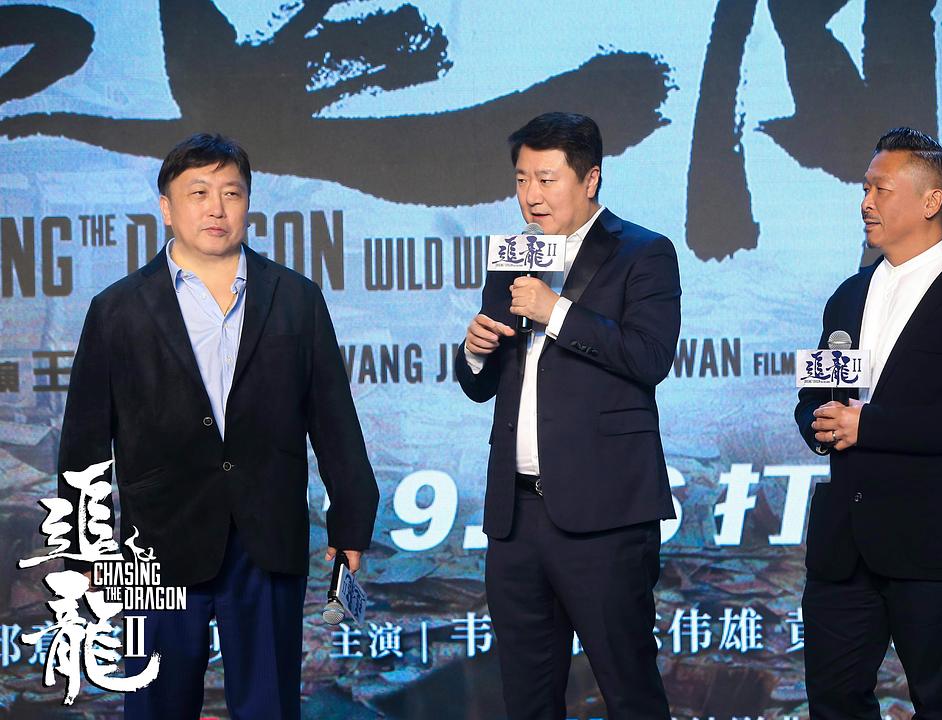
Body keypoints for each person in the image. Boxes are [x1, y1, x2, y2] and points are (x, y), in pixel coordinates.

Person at [57, 133, 379, 719]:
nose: (216, 208)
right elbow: (85, 438)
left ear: (248, 202)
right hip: (154, 545)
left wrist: (351, 520)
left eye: (231, 193)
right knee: (155, 703)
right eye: (199, 192)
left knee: (268, 705)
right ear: (166, 207)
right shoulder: (117, 309)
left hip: (267, 532)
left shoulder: (296, 298)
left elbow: (334, 417)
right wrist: (82, 548)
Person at [455, 112, 680, 719]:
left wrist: (555, 311)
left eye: (547, 179)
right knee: (527, 698)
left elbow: (650, 357)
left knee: (629, 690)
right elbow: (483, 386)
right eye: (522, 179)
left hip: (605, 517)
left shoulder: (644, 252)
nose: (531, 195)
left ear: (590, 178)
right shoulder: (515, 255)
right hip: (516, 516)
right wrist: (475, 353)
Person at [794, 127, 942, 718]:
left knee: (940, 703)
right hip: (843, 549)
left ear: (930, 201)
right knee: (834, 701)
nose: (865, 202)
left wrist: (869, 426)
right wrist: (818, 421)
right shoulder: (848, 295)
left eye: (881, 189)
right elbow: (817, 393)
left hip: (930, 547)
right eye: (864, 188)